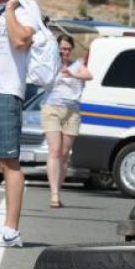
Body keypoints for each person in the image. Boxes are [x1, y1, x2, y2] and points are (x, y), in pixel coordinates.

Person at [0, 0, 36, 248]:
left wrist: (9, 10)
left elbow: (21, 41)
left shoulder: (23, 7)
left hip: (6, 92)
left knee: (9, 161)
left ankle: (10, 230)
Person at [41, 34, 92, 208]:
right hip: (52, 109)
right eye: (62, 48)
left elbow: (88, 75)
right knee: (54, 151)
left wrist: (70, 72)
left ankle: (57, 188)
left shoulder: (77, 65)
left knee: (64, 154)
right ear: (57, 49)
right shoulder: (51, 65)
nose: (65, 52)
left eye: (68, 49)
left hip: (72, 111)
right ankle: (54, 194)